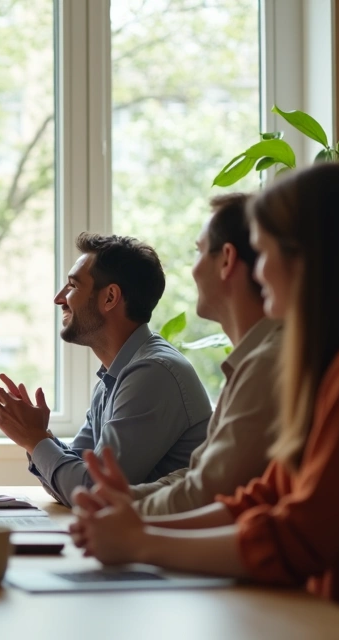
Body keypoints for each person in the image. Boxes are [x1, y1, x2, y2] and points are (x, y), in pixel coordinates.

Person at [72, 163, 339, 638]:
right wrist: (137, 528)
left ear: (307, 258)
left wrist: (143, 542)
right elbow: (268, 495)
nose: (259, 275)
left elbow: (299, 538)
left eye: (263, 254)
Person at [0, 234, 211, 505]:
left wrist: (36, 440)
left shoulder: (153, 373)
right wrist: (39, 436)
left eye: (72, 286)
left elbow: (91, 492)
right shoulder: (115, 375)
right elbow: (73, 481)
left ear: (110, 297)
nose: (59, 298)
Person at [124, 193, 282, 515]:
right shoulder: (249, 362)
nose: (192, 269)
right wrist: (126, 499)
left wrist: (126, 510)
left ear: (226, 259)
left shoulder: (268, 366)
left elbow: (209, 493)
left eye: (198, 251)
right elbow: (200, 475)